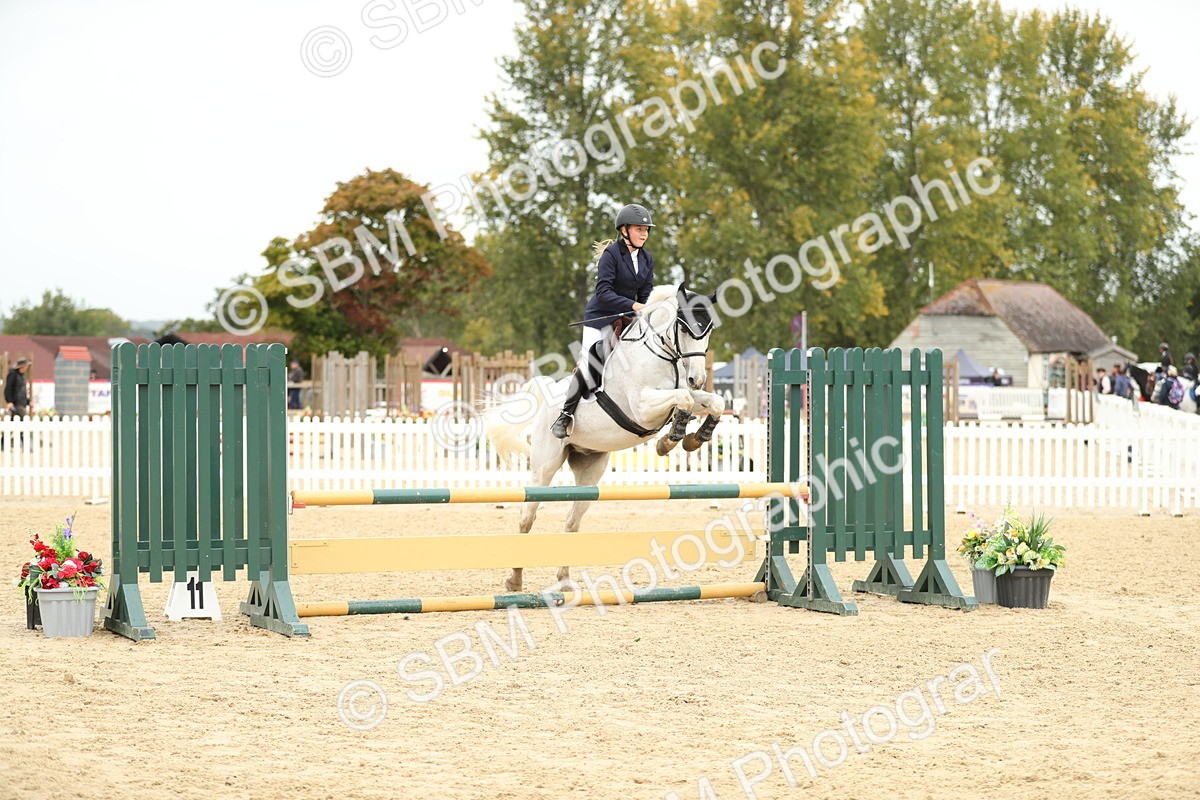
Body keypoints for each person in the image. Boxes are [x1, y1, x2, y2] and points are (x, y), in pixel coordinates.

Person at [551, 203, 656, 438]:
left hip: (627, 319)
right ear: (624, 230)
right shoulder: (612, 254)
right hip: (600, 317)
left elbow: (645, 293)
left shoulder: (647, 258)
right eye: (639, 229)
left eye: (646, 230)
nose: (644, 234)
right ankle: (565, 414)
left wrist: (646, 308)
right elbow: (603, 292)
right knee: (589, 362)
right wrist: (633, 305)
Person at [3, 357, 32, 451]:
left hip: (21, 403)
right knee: (22, 424)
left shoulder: (21, 376)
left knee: (12, 425)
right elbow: (8, 389)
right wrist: (9, 401)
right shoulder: (13, 375)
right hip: (16, 404)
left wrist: (28, 401)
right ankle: (26, 444)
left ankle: (2, 443)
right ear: (22, 366)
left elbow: (21, 392)